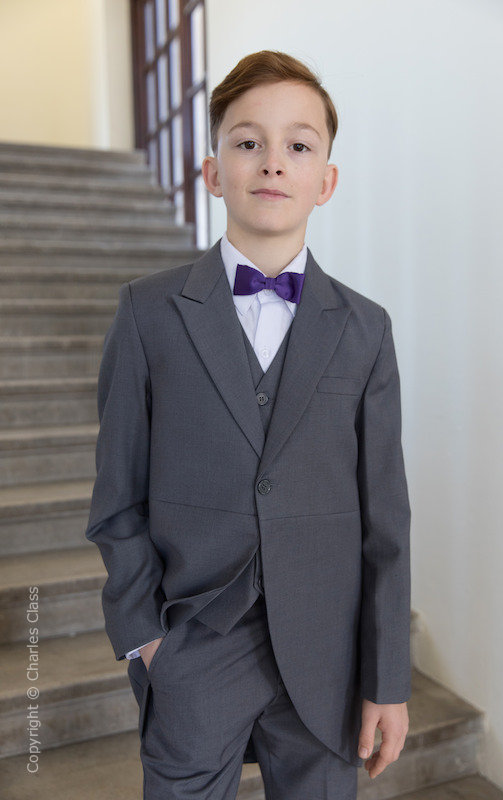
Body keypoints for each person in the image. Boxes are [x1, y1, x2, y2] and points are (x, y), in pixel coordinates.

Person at [85, 49, 411, 800]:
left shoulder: (365, 329)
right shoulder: (147, 313)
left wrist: (385, 677)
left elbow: (384, 522)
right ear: (212, 170)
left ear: (324, 180)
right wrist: (147, 640)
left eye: (298, 145)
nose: (272, 163)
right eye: (246, 142)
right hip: (193, 647)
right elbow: (117, 495)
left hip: (328, 666)